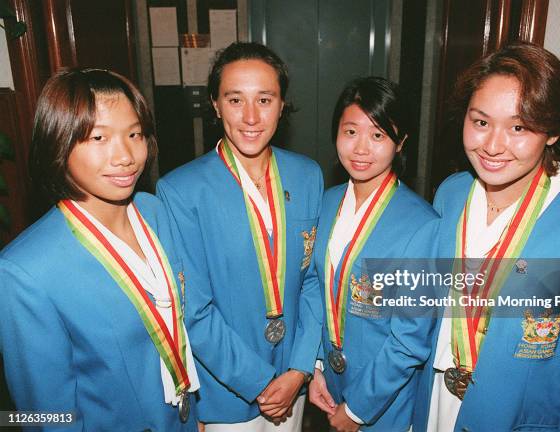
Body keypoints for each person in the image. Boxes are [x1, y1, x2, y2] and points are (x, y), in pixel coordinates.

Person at [413, 42, 560, 432]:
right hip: (436, 401)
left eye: (518, 127)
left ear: (552, 131)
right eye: (481, 122)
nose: (492, 145)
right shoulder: (451, 194)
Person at [0, 69, 200, 431]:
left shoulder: (155, 212)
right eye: (98, 137)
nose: (125, 156)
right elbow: (45, 417)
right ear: (58, 142)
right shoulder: (24, 270)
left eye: (134, 134)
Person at [156, 42, 323, 431]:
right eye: (235, 100)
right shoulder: (181, 191)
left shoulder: (307, 175)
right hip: (228, 392)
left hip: (293, 383)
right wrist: (262, 383)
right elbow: (193, 310)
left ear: (282, 105)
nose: (250, 117)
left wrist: (299, 368)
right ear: (215, 104)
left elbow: (313, 279)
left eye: (264, 99)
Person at [307, 76, 438, 431]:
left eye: (378, 135)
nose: (361, 148)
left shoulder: (422, 225)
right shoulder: (325, 202)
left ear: (400, 142)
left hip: (384, 403)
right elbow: (319, 290)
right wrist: (314, 366)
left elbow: (410, 341)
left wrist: (356, 411)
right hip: (331, 385)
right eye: (351, 132)